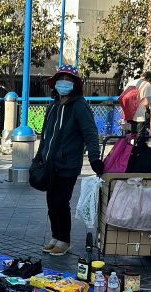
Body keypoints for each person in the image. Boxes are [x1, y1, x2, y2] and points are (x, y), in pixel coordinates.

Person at [34, 64, 102, 256]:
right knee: (51, 202)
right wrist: (38, 157)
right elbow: (45, 135)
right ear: (54, 84)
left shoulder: (80, 106)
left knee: (61, 202)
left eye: (69, 80)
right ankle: (56, 236)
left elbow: (90, 134)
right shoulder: (53, 106)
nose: (64, 83)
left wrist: (96, 159)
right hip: (49, 164)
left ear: (75, 85)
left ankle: (64, 240)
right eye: (61, 80)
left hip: (68, 166)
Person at [122, 71, 151, 135]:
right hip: (139, 116)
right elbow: (146, 102)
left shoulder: (130, 83)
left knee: (128, 136)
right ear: (150, 79)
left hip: (128, 114)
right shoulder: (147, 84)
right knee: (140, 137)